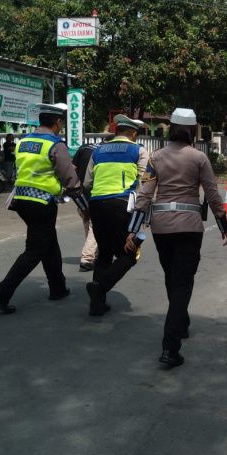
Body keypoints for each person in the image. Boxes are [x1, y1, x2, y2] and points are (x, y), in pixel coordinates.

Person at [127, 108, 227, 367]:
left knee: (172, 277)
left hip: (161, 228)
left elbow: (145, 194)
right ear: (193, 131)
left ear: (171, 129)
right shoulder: (199, 158)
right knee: (183, 282)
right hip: (189, 227)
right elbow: (212, 195)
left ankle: (181, 322)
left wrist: (133, 229)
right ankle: (170, 348)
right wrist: (223, 224)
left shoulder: (156, 157)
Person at [0, 104, 88, 314]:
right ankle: (2, 292)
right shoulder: (55, 144)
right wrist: (81, 201)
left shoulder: (24, 142)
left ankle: (58, 288)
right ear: (57, 122)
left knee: (49, 243)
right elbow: (69, 177)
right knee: (35, 249)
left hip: (21, 199)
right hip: (42, 202)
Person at [83, 114, 149, 316]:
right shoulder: (138, 150)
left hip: (96, 203)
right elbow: (144, 183)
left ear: (116, 131)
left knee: (104, 252)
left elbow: (87, 183)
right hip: (121, 205)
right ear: (133, 134)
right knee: (129, 254)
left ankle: (97, 305)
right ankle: (100, 287)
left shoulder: (98, 150)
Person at [72, 140, 100, 273]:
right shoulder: (104, 151)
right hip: (96, 192)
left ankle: (94, 254)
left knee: (88, 222)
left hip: (79, 192)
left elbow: (73, 168)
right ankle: (87, 259)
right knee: (96, 225)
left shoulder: (84, 147)